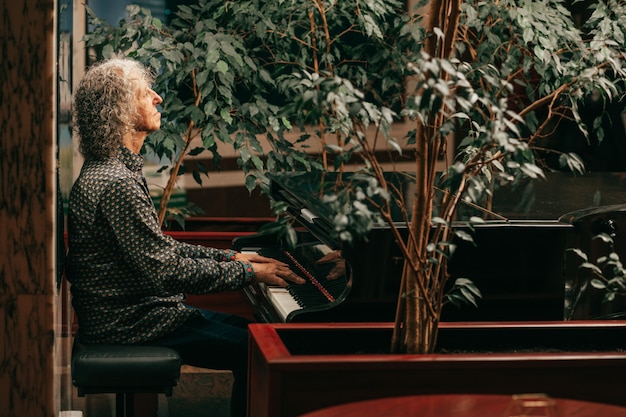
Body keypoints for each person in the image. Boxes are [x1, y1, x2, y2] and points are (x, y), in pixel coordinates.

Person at [66, 56, 305, 417]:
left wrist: (232, 258)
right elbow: (166, 273)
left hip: (137, 315)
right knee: (260, 349)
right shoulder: (116, 182)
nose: (158, 97)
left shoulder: (112, 171)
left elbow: (160, 249)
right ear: (120, 110)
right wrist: (249, 273)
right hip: (132, 325)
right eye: (145, 93)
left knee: (257, 333)